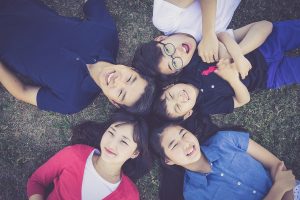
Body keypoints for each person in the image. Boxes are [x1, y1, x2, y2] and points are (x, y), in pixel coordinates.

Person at [0, 0, 155, 115]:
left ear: (113, 102)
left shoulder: (73, 101)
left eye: (121, 93)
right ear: (131, 68)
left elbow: (22, 91)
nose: (117, 81)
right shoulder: (106, 32)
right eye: (129, 79)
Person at [149, 20, 300, 119]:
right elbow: (243, 100)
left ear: (169, 86)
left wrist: (237, 57)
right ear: (187, 114)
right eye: (177, 107)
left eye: (171, 95)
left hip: (261, 47)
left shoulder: (190, 66)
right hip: (269, 77)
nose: (180, 98)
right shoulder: (206, 107)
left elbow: (220, 41)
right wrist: (233, 80)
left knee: (292, 31)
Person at [150, 123, 299, 200]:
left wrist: (284, 188)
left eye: (183, 134)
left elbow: (277, 165)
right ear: (168, 160)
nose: (186, 144)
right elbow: (283, 182)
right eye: (174, 145)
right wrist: (278, 189)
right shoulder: (193, 194)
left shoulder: (225, 139)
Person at [27, 112, 151, 200]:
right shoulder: (74, 154)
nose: (112, 144)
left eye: (124, 141)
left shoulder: (129, 195)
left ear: (135, 153)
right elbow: (37, 181)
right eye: (111, 132)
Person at [152, 0, 241, 63]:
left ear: (161, 39)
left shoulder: (165, 21)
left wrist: (208, 34)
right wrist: (237, 56)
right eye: (175, 63)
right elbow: (255, 27)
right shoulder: (208, 46)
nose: (178, 53)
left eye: (167, 50)